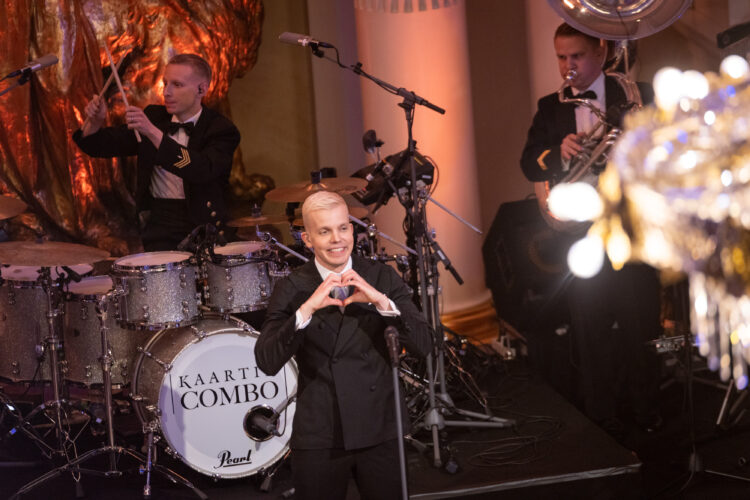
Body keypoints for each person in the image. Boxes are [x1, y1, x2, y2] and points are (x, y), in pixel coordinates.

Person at [520, 23, 662, 438]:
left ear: (601, 53)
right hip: (582, 236)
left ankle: (648, 412)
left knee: (641, 327)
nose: (568, 67)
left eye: (576, 56)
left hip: (634, 231)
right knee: (590, 329)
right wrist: (555, 154)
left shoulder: (641, 95)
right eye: (561, 58)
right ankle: (602, 417)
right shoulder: (551, 107)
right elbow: (529, 162)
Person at [255, 191, 432, 500]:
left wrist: (382, 302)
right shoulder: (292, 288)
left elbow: (425, 345)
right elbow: (267, 360)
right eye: (324, 231)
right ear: (307, 238)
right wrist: (306, 310)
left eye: (343, 228)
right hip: (321, 432)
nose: (337, 239)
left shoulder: (380, 276)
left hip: (380, 427)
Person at [73, 53, 240, 251]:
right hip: (159, 222)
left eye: (177, 85)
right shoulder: (155, 116)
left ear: (201, 89)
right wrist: (95, 121)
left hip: (203, 224)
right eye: (165, 83)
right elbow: (99, 145)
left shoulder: (220, 129)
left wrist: (152, 132)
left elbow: (201, 170)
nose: (166, 92)